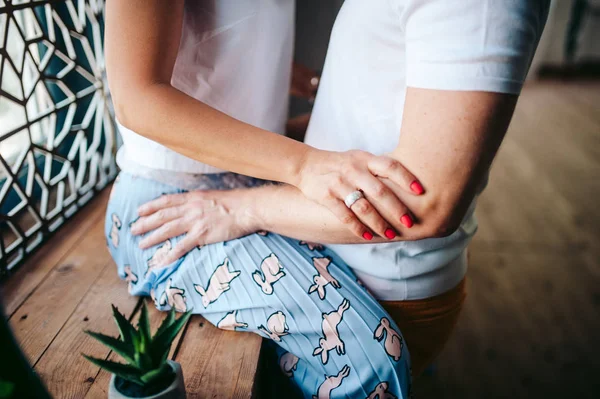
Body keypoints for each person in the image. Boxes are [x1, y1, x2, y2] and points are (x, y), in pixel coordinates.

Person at [105, 0, 550, 397]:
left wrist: (317, 88)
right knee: (368, 359)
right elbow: (136, 97)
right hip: (167, 205)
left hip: (253, 183)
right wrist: (304, 164)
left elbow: (231, 40)